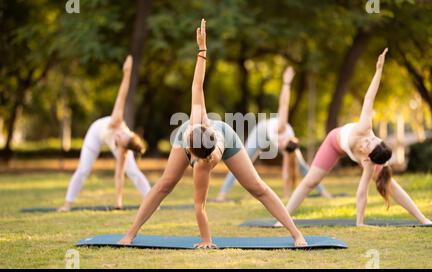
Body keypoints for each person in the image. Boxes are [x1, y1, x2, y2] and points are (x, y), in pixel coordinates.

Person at [118, 19, 307, 248]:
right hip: (201, 139)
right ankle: (131, 233)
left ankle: (297, 234)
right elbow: (197, 86)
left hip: (224, 140)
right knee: (164, 185)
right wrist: (202, 50)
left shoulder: (203, 164)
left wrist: (207, 241)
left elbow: (200, 205)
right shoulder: (198, 119)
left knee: (258, 187)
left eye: (189, 148)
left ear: (195, 155)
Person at [280, 48, 432, 226]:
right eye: (374, 138)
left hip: (361, 156)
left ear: (368, 155)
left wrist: (360, 223)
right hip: (333, 143)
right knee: (311, 181)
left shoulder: (369, 163)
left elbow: (362, 191)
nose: (369, 138)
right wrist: (378, 71)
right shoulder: (365, 127)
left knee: (389, 183)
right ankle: (282, 219)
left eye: (370, 143)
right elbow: (369, 98)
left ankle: (423, 219)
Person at [216, 66, 331, 202]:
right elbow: (284, 104)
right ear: (286, 140)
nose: (280, 146)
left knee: (302, 166)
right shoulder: (282, 127)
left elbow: (287, 171)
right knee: (241, 161)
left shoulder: (290, 149)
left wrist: (287, 196)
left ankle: (323, 192)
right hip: (260, 133)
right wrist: (287, 83)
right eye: (282, 144)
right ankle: (222, 194)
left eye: (282, 147)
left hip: (276, 141)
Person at [58, 56, 151, 212]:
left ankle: (152, 200)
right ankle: (67, 203)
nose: (121, 133)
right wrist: (127, 72)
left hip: (110, 141)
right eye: (124, 133)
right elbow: (122, 95)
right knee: (83, 170)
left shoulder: (123, 150)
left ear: (123, 146)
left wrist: (118, 203)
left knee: (133, 171)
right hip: (95, 133)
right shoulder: (117, 120)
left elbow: (119, 176)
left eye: (122, 137)